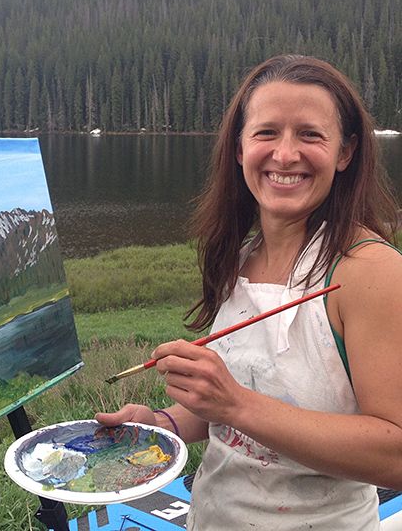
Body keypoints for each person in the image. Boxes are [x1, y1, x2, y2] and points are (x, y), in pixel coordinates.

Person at [96, 54, 402, 530]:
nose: (285, 154)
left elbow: (395, 455)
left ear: (345, 153)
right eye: (266, 132)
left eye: (310, 134)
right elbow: (232, 414)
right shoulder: (238, 257)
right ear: (240, 148)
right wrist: (163, 424)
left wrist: (235, 402)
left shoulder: (371, 271)